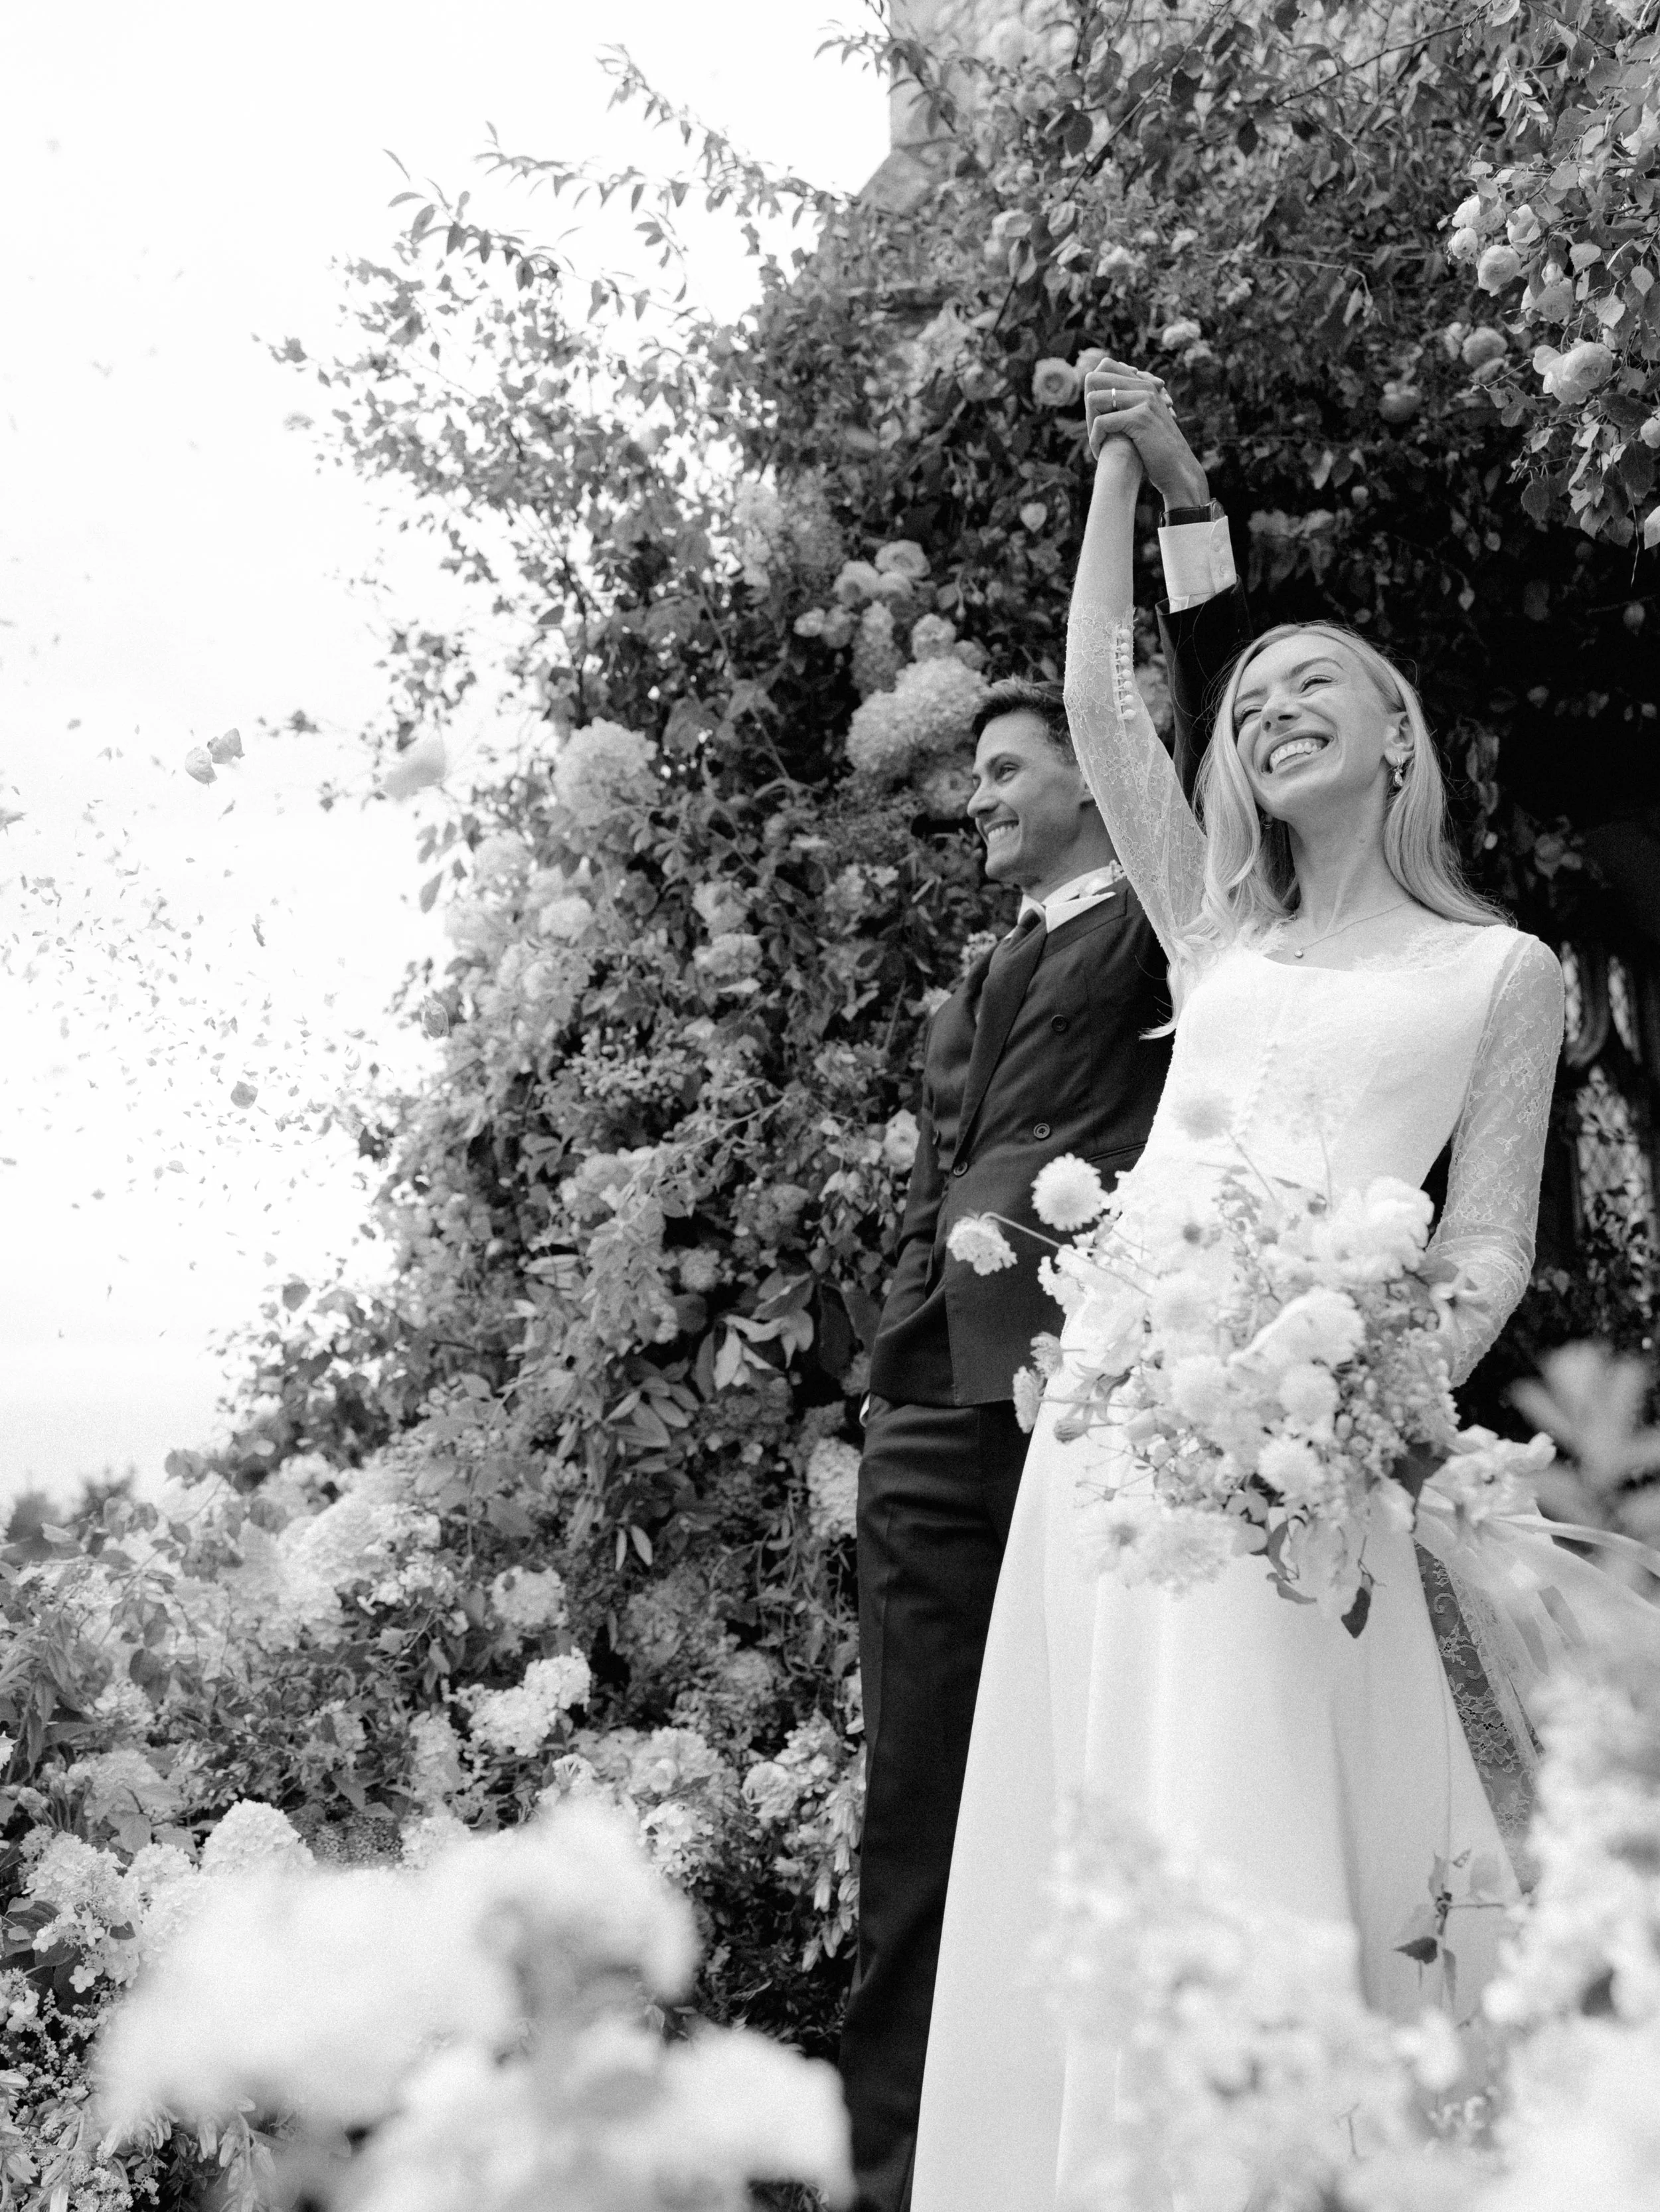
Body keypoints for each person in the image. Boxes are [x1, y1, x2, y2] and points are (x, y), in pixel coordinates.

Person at [910, 367, 1578, 2209]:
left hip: (1314, 1447)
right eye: (1254, 700)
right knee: (1118, 1783)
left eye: (1317, 692)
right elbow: (1105, 710)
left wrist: (1383, 1380)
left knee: (1274, 1797)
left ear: (1397, 738)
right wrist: (1124, 478)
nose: (1275, 711)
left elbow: (1488, 1236)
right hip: (1125, 1434)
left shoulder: (1500, 973)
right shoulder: (1215, 939)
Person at [839, 425, 1251, 2212]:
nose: (980, 798)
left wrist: (1181, 509)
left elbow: (1227, 695)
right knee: (917, 1798)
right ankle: (893, 2168)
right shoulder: (992, 960)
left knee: (1087, 1781)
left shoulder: (1178, 921)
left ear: (1102, 779)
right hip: (940, 1396)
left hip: (1093, 1401)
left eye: (1011, 769)